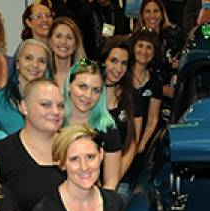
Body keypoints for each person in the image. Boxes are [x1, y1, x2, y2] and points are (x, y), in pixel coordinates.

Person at [0, 78, 65, 211]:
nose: (56, 111)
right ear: (24, 107)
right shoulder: (1, 152)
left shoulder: (75, 147)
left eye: (61, 106)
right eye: (45, 104)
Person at [63, 59, 125, 188]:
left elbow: (111, 182)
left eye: (95, 90)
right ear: (69, 85)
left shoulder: (107, 128)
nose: (88, 95)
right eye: (82, 87)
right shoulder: (53, 122)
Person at [0, 39, 53, 136]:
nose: (35, 65)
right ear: (17, 63)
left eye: (41, 61)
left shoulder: (55, 101)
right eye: (29, 58)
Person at [101, 37, 137, 184]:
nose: (118, 69)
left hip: (120, 180)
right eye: (113, 61)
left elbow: (132, 144)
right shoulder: (88, 95)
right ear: (103, 61)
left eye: (124, 63)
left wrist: (112, 181)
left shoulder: (131, 96)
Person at [129, 31, 163, 159]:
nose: (144, 51)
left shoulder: (155, 82)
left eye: (149, 47)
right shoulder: (122, 74)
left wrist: (141, 145)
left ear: (154, 53)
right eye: (140, 45)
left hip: (141, 144)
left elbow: (153, 119)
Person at [49, 17, 86, 89]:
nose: (63, 42)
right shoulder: (42, 74)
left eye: (69, 37)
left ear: (76, 44)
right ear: (50, 42)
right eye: (58, 36)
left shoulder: (86, 75)